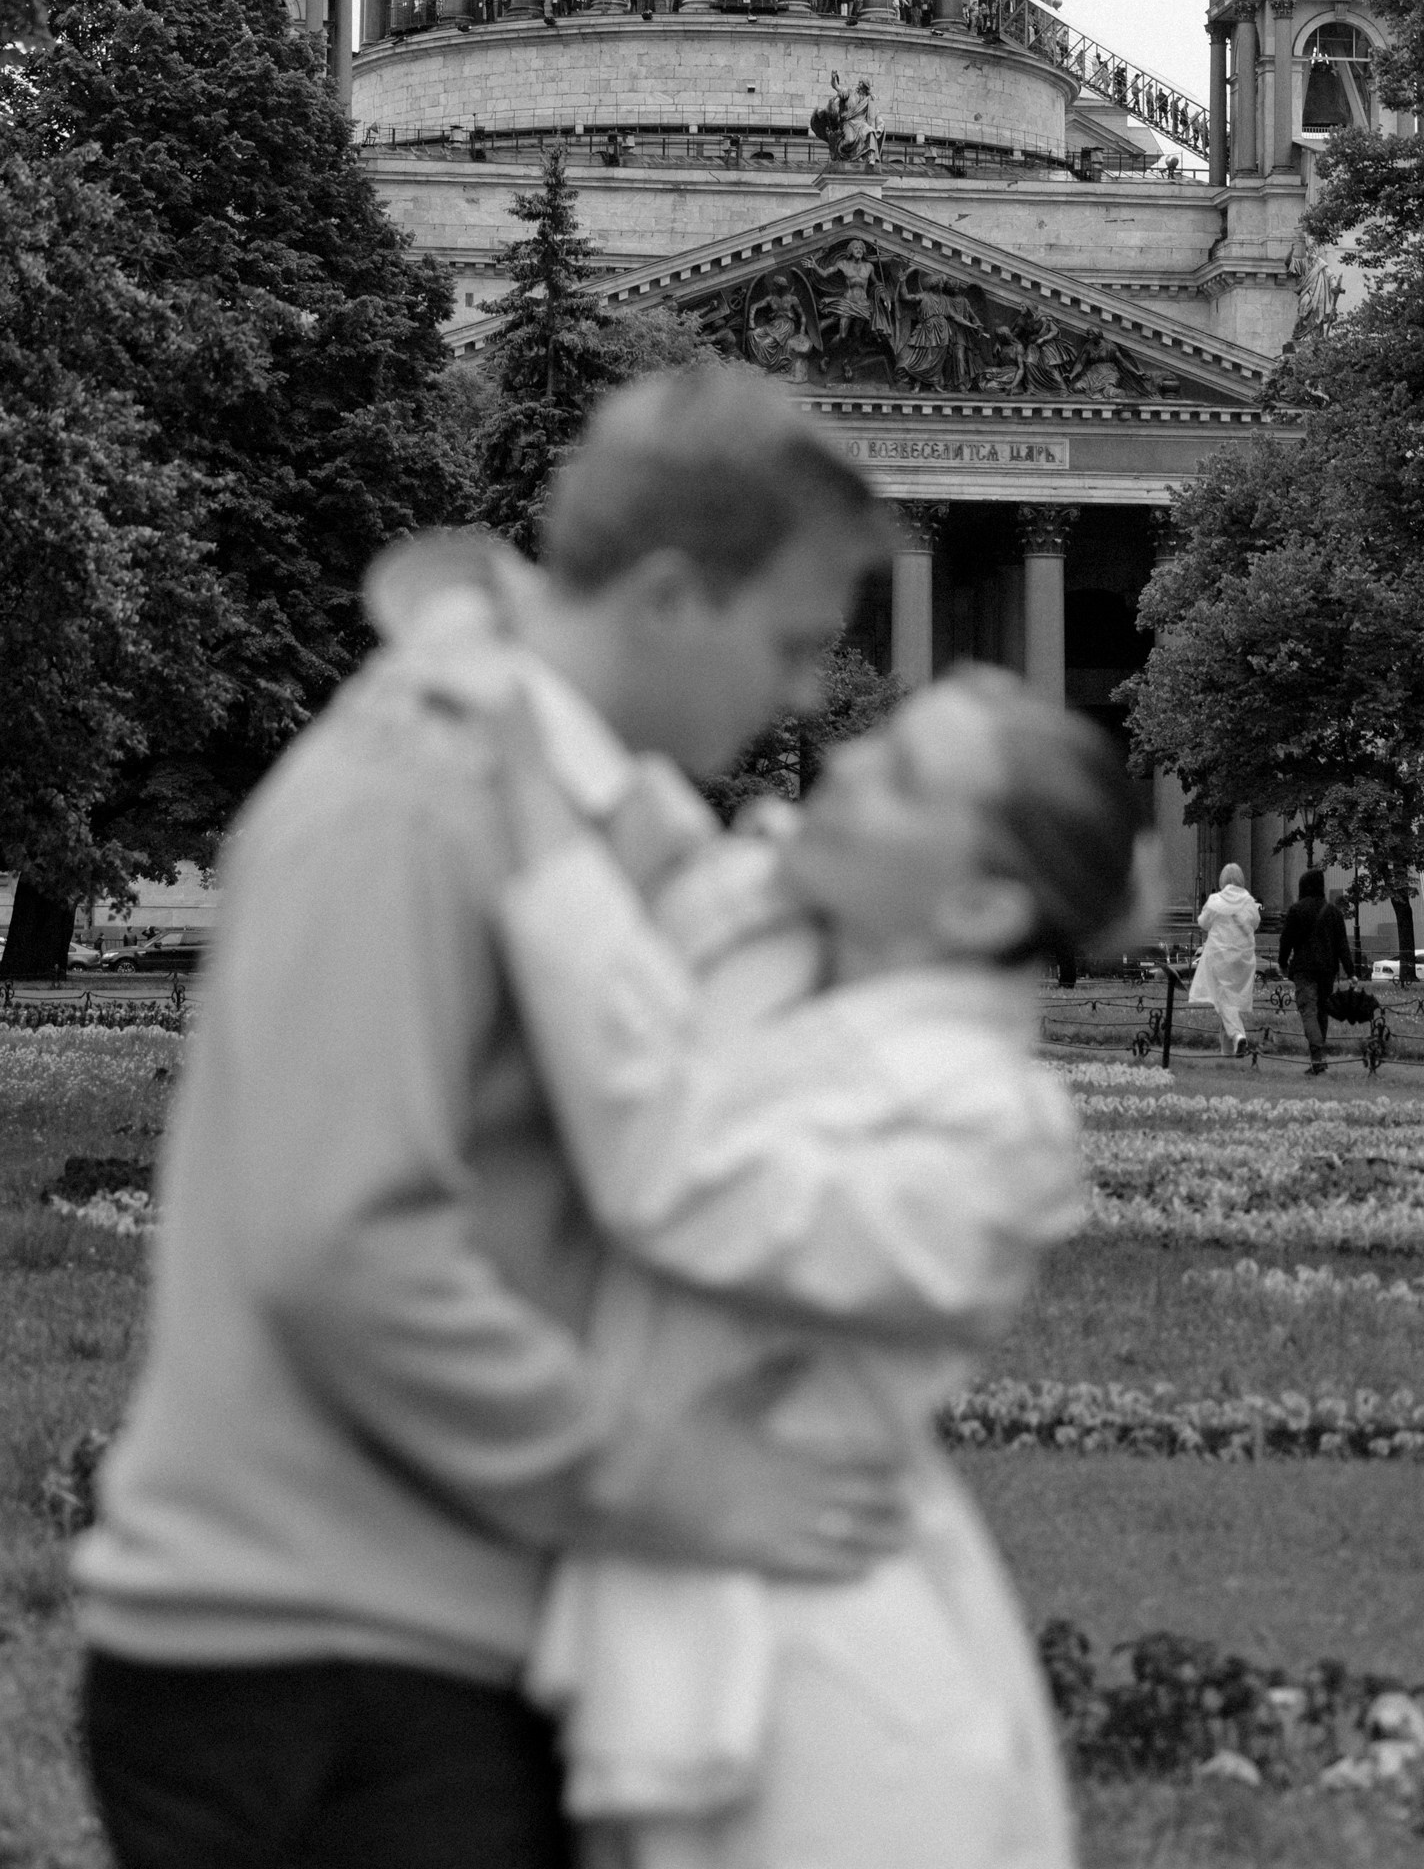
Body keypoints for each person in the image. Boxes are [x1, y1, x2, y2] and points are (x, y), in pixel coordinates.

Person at [75, 368, 910, 1869]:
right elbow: (345, 1249)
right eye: (791, 644)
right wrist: (658, 1479)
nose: (803, 696)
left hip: (419, 1632)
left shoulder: (562, 792)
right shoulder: (409, 796)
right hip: (315, 1655)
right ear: (668, 595)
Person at [490, 664, 1145, 1869]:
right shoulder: (786, 976)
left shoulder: (993, 1131)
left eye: (901, 778)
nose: (841, 763)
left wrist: (546, 862)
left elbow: (673, 1177)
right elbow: (696, 879)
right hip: (693, 1626)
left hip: (833, 1698)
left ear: (978, 908)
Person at [1277, 867, 1354, 1076]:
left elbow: (1286, 940)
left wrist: (1282, 963)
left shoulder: (1296, 910)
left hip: (1304, 969)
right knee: (1322, 1012)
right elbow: (1342, 945)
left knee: (1308, 1011)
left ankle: (1318, 1055)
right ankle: (1318, 1059)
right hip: (1327, 970)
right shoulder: (1333, 912)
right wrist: (1351, 972)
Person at [1188, 862, 1260, 1060]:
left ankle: (1238, 1036)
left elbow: (1203, 922)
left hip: (1219, 957)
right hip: (1243, 958)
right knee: (1230, 1002)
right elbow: (1255, 923)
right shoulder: (1249, 901)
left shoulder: (1215, 900)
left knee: (1222, 1000)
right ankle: (1228, 1051)